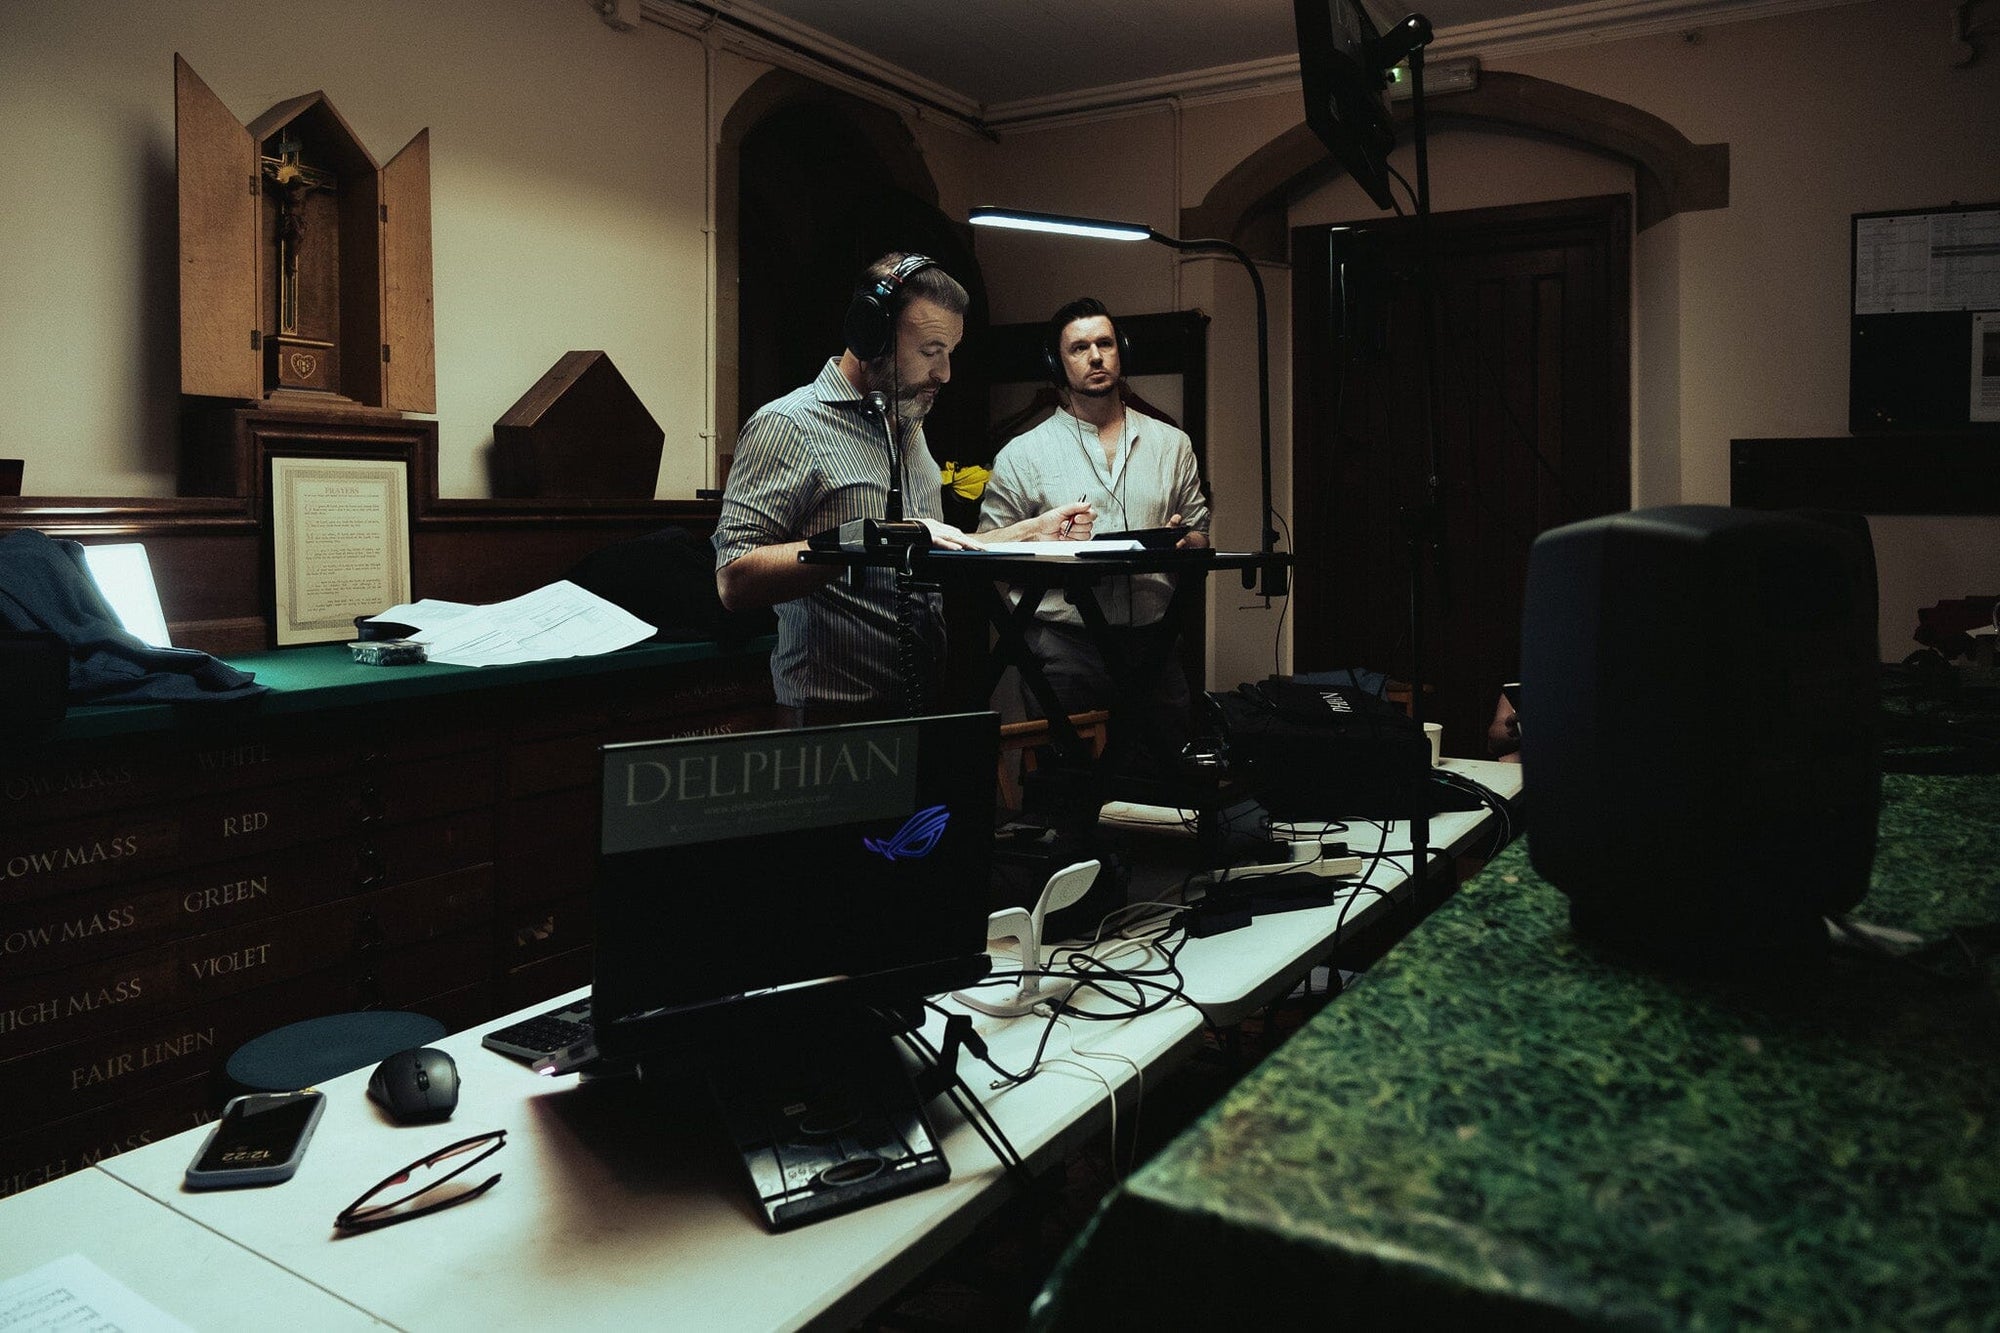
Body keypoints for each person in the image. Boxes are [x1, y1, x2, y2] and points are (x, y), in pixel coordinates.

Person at [714, 253, 1087, 721]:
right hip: (831, 717)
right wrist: (873, 539)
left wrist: (1030, 533)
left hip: (919, 707)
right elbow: (733, 580)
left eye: (950, 353)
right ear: (870, 335)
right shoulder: (787, 425)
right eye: (930, 351)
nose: (945, 373)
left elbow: (924, 544)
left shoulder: (908, 423)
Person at [978, 296, 1211, 771]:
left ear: (1121, 350)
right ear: (1057, 364)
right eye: (1079, 348)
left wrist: (1186, 542)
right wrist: (1042, 541)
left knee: (1167, 783)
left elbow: (1199, 529)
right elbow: (988, 548)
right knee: (1066, 784)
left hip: (1155, 643)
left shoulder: (1172, 444)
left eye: (1105, 344)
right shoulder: (1022, 454)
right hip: (1065, 648)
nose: (1096, 357)